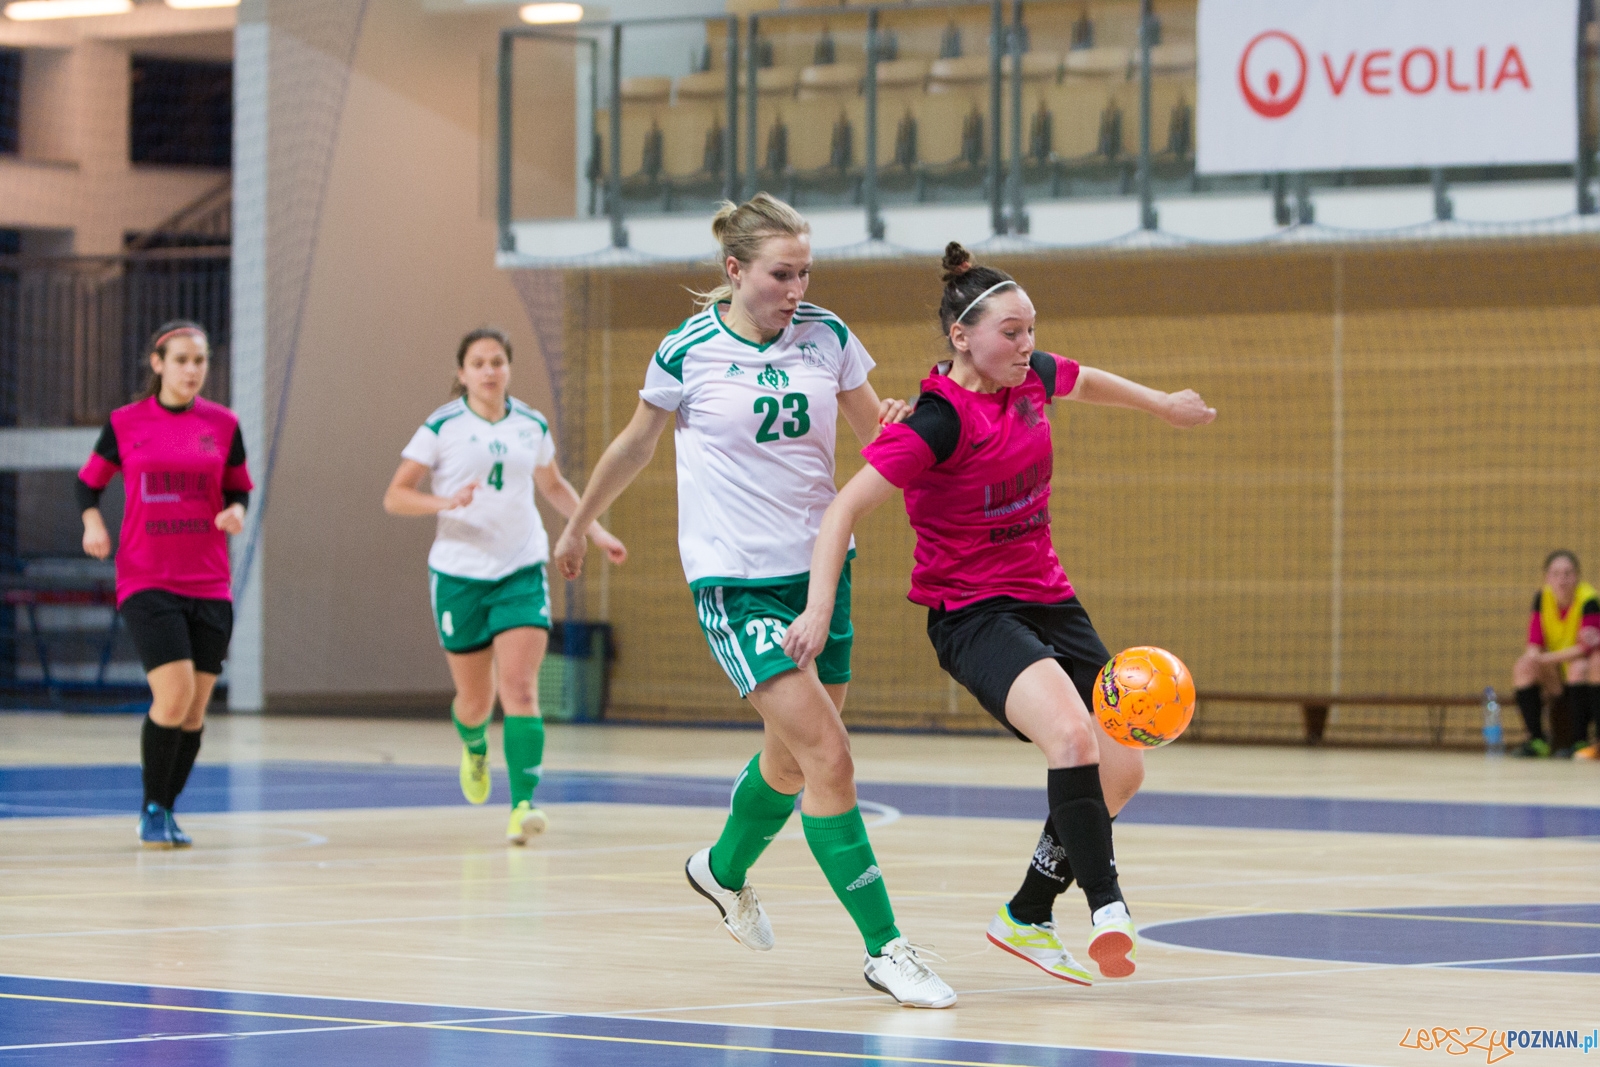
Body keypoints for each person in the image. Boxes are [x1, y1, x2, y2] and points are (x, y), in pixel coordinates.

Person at [551, 193, 955, 1008]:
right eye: (780, 274)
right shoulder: (688, 350)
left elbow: (876, 439)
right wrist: (578, 523)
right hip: (736, 583)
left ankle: (719, 868)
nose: (796, 289)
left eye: (805, 272)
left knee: (789, 761)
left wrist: (900, 421)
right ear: (735, 271)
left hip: (823, 574)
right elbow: (635, 444)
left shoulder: (828, 336)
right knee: (831, 756)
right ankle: (886, 948)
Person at [783, 243, 1215, 986]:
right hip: (973, 614)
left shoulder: (1031, 378)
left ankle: (1027, 912)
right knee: (1071, 735)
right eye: (1011, 332)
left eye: (1031, 330)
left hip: (1048, 597)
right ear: (962, 337)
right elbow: (844, 508)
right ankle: (1107, 907)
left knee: (1123, 765)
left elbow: (1084, 379)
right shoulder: (933, 423)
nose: (1027, 345)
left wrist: (1162, 404)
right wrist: (818, 605)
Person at [384, 327, 626, 843]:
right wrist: (444, 502)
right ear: (462, 373)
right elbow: (396, 495)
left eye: (497, 361)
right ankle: (474, 746)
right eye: (478, 363)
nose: (490, 371)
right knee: (475, 701)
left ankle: (523, 805)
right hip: (459, 574)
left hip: (520, 567)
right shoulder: (442, 425)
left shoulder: (530, 424)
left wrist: (595, 531)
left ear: (508, 368)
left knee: (520, 689)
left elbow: (553, 485)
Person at [77, 320, 252, 849]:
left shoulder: (223, 425)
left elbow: (238, 488)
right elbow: (87, 483)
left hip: (210, 583)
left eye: (200, 360)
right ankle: (152, 810)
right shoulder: (125, 422)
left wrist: (236, 512)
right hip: (147, 578)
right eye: (181, 360)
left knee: (194, 712)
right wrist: (92, 522)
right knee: (173, 696)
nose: (192, 370)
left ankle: (165, 808)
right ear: (158, 364)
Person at [1510, 549, 1600, 759]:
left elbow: (1586, 649)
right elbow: (1534, 643)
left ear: (1577, 576)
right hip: (1556, 671)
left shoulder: (1588, 600)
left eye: (1568, 573)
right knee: (1523, 666)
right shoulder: (1542, 598)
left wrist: (1545, 659)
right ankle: (1536, 740)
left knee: (1580, 666)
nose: (1562, 579)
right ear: (1547, 577)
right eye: (1556, 574)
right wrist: (1535, 658)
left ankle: (1580, 742)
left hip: (1581, 668)